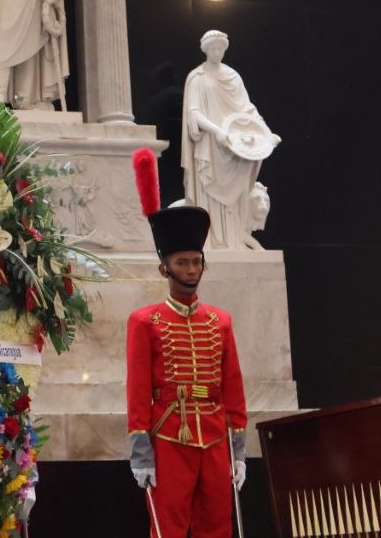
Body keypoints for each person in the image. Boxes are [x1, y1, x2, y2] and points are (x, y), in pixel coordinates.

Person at [127, 148, 247, 538]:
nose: (191, 270)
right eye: (182, 263)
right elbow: (137, 393)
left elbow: (233, 387)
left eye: (196, 261)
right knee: (169, 528)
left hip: (214, 437)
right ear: (165, 267)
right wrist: (141, 451)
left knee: (218, 528)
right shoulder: (144, 321)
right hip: (167, 438)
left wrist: (239, 448)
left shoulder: (220, 321)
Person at [180, 30, 279, 250]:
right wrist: (217, 132)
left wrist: (266, 132)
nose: (217, 52)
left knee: (236, 199)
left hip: (235, 148)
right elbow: (194, 113)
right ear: (205, 50)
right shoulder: (198, 77)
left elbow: (248, 109)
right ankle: (211, 240)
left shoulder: (233, 77)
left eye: (221, 49)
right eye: (213, 48)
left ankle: (233, 242)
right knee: (210, 193)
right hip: (211, 145)